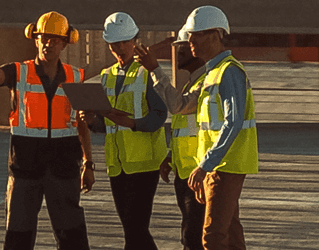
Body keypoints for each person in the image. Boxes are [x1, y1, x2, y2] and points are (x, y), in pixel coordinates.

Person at [0, 11, 95, 250]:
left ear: (64, 43)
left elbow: (82, 125)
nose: (47, 43)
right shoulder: (18, 72)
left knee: (72, 237)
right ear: (35, 39)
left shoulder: (75, 76)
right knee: (18, 236)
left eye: (54, 39)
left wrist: (88, 163)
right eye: (43, 38)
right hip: (25, 170)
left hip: (63, 169)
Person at [154, 5, 259, 249]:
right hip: (218, 166)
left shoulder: (229, 72)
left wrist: (206, 165)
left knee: (212, 237)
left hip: (226, 165)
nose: (189, 41)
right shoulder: (213, 73)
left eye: (195, 35)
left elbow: (233, 122)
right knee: (231, 235)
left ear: (214, 35)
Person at [79, 12, 168, 250]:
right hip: (117, 164)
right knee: (132, 230)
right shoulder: (107, 76)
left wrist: (133, 124)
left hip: (144, 163)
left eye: (124, 42)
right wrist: (91, 122)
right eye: (114, 44)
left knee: (135, 228)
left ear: (134, 40)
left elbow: (160, 115)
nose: (119, 48)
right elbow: (107, 125)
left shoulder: (146, 72)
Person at [157, 41, 210, 250]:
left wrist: (155, 70)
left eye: (185, 46)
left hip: (198, 174)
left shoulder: (205, 83)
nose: (179, 51)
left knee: (194, 237)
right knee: (190, 234)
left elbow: (177, 106)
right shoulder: (191, 83)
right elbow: (187, 129)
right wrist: (171, 156)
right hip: (184, 172)